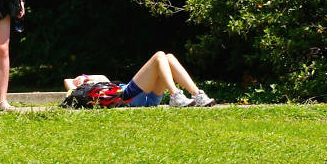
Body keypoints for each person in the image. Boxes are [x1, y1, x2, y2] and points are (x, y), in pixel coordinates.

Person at [64, 51, 215, 107]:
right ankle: (175, 95)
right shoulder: (86, 92)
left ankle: (198, 95)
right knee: (159, 56)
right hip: (126, 96)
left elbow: (102, 77)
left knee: (168, 57)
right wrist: (77, 82)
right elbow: (67, 82)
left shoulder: (101, 81)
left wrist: (85, 77)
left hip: (147, 99)